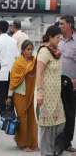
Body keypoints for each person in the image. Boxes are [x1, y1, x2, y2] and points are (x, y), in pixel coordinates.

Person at [35, 25, 65, 156]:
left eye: (61, 37)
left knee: (59, 123)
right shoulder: (44, 51)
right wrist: (40, 93)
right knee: (47, 126)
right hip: (46, 94)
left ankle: (52, 149)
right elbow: (39, 73)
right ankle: (46, 152)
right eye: (58, 37)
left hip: (56, 94)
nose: (60, 39)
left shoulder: (56, 51)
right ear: (50, 37)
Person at [7, 40, 38, 152]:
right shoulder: (18, 63)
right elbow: (13, 81)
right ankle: (23, 143)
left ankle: (33, 143)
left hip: (30, 94)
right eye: (27, 49)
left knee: (31, 119)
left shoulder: (34, 62)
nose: (30, 52)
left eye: (31, 49)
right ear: (23, 50)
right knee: (22, 119)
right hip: (19, 95)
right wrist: (9, 97)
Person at [56, 15, 76, 153]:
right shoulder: (59, 41)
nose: (60, 26)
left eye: (62, 24)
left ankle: (64, 143)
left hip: (72, 85)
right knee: (59, 114)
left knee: (70, 114)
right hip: (58, 84)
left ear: (69, 25)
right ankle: (63, 142)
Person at [0, 20, 19, 117]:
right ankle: (11, 115)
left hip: (0, 73)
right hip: (11, 72)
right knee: (10, 96)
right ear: (8, 28)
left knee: (1, 96)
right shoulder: (13, 41)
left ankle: (3, 117)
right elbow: (17, 57)